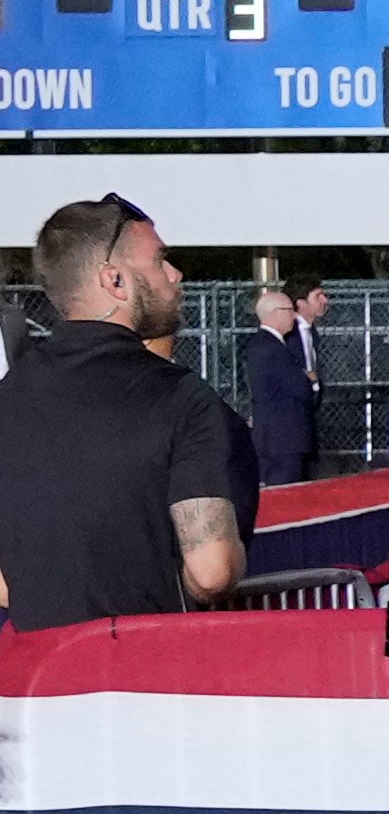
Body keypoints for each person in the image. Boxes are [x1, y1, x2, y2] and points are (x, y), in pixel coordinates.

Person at [0, 196, 246, 626]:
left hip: (37, 681)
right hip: (143, 676)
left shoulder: (7, 394)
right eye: (159, 260)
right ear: (115, 280)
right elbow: (212, 571)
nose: (175, 274)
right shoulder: (181, 397)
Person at [245, 272, 318, 488]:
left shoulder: (267, 346)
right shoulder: (272, 349)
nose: (294, 317)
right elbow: (300, 387)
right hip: (282, 441)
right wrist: (311, 381)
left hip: (279, 440)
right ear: (275, 313)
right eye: (289, 311)